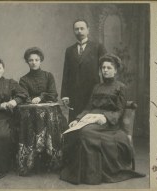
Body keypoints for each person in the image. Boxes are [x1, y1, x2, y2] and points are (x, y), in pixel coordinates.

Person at [60, 54, 145, 185]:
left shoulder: (120, 87)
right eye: (103, 67)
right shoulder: (97, 87)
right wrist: (77, 119)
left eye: (109, 67)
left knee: (86, 133)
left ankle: (92, 175)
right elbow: (88, 107)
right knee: (76, 130)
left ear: (115, 70)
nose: (105, 70)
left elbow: (119, 110)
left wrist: (105, 117)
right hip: (91, 119)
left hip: (109, 123)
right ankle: (83, 172)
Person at [61, 19, 106, 122]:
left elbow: (105, 67)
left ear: (88, 30)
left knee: (90, 121)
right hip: (74, 93)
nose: (79, 31)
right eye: (76, 29)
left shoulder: (97, 47)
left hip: (92, 91)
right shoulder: (69, 50)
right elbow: (66, 72)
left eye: (82, 28)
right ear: (73, 31)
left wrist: (104, 88)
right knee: (74, 122)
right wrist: (64, 94)